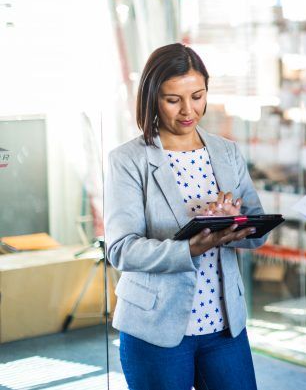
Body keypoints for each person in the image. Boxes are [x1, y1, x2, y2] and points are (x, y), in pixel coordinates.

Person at [105, 43, 266, 390]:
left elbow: (258, 229)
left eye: (197, 96)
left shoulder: (226, 151)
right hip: (156, 328)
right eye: (173, 99)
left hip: (224, 326)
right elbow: (121, 249)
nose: (188, 110)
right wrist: (189, 248)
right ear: (152, 98)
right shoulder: (127, 160)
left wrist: (236, 222)